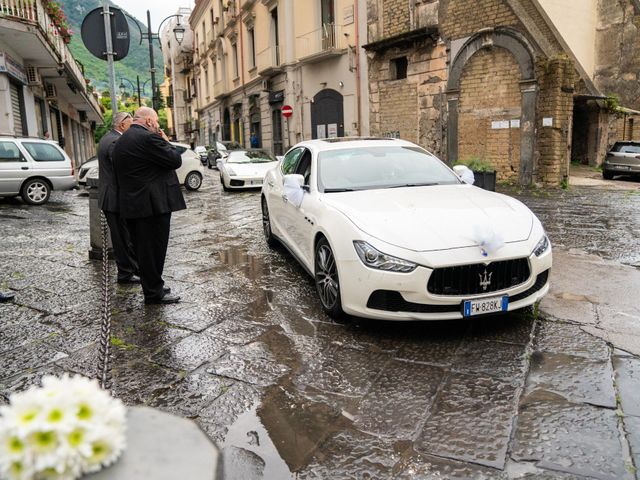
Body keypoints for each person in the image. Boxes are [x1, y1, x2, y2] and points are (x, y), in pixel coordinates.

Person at [112, 107, 185, 305]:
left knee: (145, 250)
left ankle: (154, 285)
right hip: (151, 205)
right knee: (154, 250)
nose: (158, 126)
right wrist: (165, 140)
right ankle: (153, 293)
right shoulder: (148, 138)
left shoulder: (124, 139)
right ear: (150, 121)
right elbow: (175, 160)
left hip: (135, 205)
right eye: (157, 122)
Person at [97, 111, 139, 284]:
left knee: (121, 236)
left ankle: (129, 270)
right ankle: (125, 273)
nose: (133, 127)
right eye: (131, 123)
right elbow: (122, 167)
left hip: (110, 196)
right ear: (122, 125)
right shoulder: (115, 141)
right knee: (122, 238)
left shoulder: (107, 137)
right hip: (114, 197)